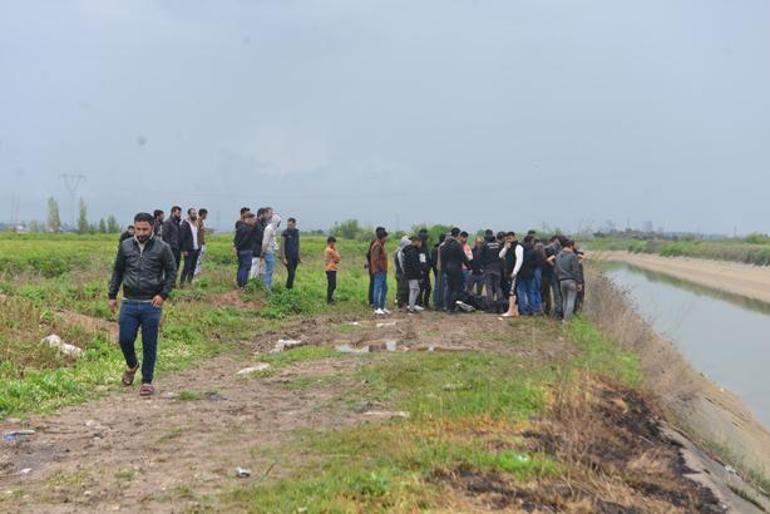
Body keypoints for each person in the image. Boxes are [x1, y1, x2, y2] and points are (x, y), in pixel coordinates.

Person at [108, 212, 176, 397]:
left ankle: (147, 381)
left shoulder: (162, 248)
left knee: (149, 343)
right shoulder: (125, 246)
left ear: (152, 228)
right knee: (125, 339)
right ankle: (132, 365)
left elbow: (171, 272)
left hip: (151, 304)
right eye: (138, 229)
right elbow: (118, 271)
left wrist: (163, 295)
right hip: (129, 302)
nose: (141, 233)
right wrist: (112, 295)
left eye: (145, 229)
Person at [440, 228, 467, 314]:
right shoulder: (457, 245)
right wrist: (469, 267)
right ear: (458, 235)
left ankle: (447, 306)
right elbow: (463, 257)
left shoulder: (444, 245)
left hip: (447, 269)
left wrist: (443, 269)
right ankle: (452, 307)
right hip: (456, 269)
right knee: (456, 289)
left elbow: (442, 258)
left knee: (449, 288)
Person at [554, 240, 582, 322]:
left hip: (561, 281)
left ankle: (564, 318)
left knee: (565, 300)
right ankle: (566, 320)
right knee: (570, 301)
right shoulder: (573, 256)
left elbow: (556, 269)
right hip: (571, 281)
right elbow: (576, 270)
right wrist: (579, 282)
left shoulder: (558, 255)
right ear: (571, 246)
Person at [516, 235, 542, 316]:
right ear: (531, 241)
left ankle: (523, 310)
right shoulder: (534, 251)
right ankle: (533, 310)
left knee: (521, 292)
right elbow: (537, 263)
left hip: (521, 273)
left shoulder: (520, 250)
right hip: (530, 274)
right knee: (531, 292)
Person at [501, 232, 523, 317]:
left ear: (514, 237)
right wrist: (505, 248)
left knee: (512, 292)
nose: (509, 240)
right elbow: (500, 255)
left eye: (510, 238)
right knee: (513, 291)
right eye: (507, 239)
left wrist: (515, 272)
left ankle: (510, 311)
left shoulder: (518, 247)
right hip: (507, 272)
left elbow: (519, 260)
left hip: (514, 273)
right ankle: (515, 311)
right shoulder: (508, 247)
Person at [233, 212, 259, 288]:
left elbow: (236, 240)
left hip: (240, 251)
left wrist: (237, 248)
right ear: (248, 219)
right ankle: (243, 284)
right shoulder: (249, 229)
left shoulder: (240, 228)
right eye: (253, 219)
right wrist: (240, 246)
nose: (254, 221)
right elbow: (245, 240)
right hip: (247, 250)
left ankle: (239, 283)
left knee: (241, 267)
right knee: (246, 268)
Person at [480, 229, 503, 311]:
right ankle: (500, 306)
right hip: (497, 269)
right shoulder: (498, 244)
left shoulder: (485, 245)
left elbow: (480, 257)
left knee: (489, 288)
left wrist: (482, 266)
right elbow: (502, 255)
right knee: (498, 287)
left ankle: (491, 307)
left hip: (488, 269)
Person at [178, 208, 201, 286]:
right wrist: (184, 250)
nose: (195, 215)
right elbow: (182, 238)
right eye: (193, 213)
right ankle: (181, 283)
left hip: (196, 249)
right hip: (188, 250)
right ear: (189, 214)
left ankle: (189, 282)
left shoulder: (196, 224)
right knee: (187, 266)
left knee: (193, 267)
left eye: (195, 213)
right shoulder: (185, 224)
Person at [369, 227, 390, 315]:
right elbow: (375, 260)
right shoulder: (377, 246)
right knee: (377, 289)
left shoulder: (380, 245)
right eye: (385, 237)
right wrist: (381, 268)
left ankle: (382, 306)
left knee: (385, 288)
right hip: (379, 271)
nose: (386, 239)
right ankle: (376, 308)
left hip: (382, 271)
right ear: (382, 237)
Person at [402, 235, 424, 313]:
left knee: (416, 290)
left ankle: (411, 306)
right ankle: (411, 309)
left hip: (410, 273)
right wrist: (419, 275)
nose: (421, 244)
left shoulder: (409, 250)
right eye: (420, 242)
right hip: (412, 274)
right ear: (416, 242)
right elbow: (415, 265)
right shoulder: (412, 251)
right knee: (414, 290)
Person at [261, 211, 281, 291]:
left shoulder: (272, 229)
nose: (279, 224)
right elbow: (265, 242)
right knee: (269, 270)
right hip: (268, 251)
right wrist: (263, 252)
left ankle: (268, 287)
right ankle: (267, 288)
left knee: (270, 270)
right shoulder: (269, 229)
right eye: (279, 222)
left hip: (271, 251)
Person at [281, 217, 301, 289]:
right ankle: (288, 288)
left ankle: (290, 287)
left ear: (295, 224)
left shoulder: (297, 233)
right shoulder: (285, 233)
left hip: (295, 257)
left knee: (293, 274)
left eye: (291, 225)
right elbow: (282, 246)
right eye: (288, 225)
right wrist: (283, 258)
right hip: (288, 257)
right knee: (291, 273)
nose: (289, 226)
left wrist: (299, 257)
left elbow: (298, 245)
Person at [162, 205, 182, 274]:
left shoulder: (177, 223)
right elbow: (165, 236)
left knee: (176, 267)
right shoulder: (168, 222)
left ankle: (174, 280)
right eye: (178, 213)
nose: (180, 215)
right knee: (170, 268)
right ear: (173, 212)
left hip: (177, 249)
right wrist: (169, 248)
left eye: (180, 213)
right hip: (171, 249)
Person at [249, 208, 266, 281]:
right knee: (254, 268)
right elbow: (250, 235)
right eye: (265, 214)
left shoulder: (263, 224)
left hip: (261, 250)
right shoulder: (256, 224)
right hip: (255, 250)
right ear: (261, 215)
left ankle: (258, 284)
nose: (267, 216)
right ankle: (251, 283)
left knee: (260, 270)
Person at [394, 236, 411, 309]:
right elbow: (401, 264)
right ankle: (400, 304)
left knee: (402, 288)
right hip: (401, 273)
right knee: (402, 289)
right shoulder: (400, 252)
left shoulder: (398, 250)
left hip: (399, 272)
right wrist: (405, 272)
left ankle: (401, 303)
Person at [417, 229, 432, 308]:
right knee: (422, 288)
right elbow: (422, 260)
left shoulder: (425, 247)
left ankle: (425, 302)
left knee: (428, 288)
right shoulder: (420, 248)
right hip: (422, 271)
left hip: (426, 271)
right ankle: (420, 302)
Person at [431, 233, 446, 310]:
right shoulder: (442, 248)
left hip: (436, 269)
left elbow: (433, 261)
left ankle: (436, 303)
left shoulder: (435, 248)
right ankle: (439, 303)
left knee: (437, 287)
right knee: (441, 287)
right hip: (440, 270)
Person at [325, 236, 341, 304]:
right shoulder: (330, 250)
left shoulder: (327, 249)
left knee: (331, 285)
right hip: (331, 269)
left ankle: (330, 298)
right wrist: (335, 249)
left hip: (330, 268)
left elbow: (337, 259)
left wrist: (335, 260)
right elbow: (338, 257)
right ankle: (329, 300)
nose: (334, 244)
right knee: (332, 285)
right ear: (331, 242)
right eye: (333, 242)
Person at [194, 208, 208, 277]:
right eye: (206, 214)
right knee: (197, 260)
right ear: (203, 214)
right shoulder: (198, 222)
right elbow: (196, 233)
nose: (206, 216)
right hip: (198, 244)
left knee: (200, 260)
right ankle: (195, 273)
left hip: (201, 244)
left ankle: (198, 272)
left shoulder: (201, 222)